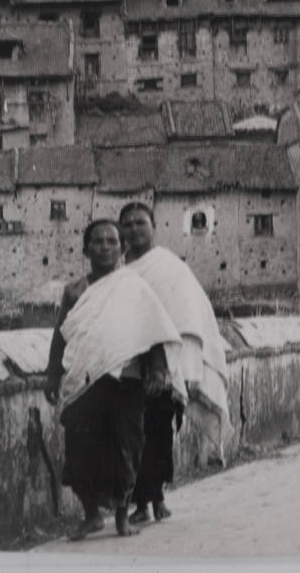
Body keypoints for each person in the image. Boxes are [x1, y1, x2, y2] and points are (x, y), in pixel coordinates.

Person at [45, 219, 183, 540]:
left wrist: (158, 370)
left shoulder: (134, 286)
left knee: (127, 447)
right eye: (97, 241)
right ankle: (91, 515)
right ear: (85, 248)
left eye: (111, 241)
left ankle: (122, 516)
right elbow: (62, 335)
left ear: (121, 248)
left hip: (127, 379)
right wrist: (52, 375)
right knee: (80, 447)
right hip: (86, 380)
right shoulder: (75, 291)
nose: (105, 247)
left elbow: (153, 331)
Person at [118, 201, 232, 525]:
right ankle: (142, 503)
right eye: (127, 224)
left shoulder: (169, 266)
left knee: (159, 432)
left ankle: (156, 498)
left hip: (165, 364)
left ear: (153, 226)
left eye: (141, 222)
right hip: (130, 363)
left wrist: (178, 355)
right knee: (134, 435)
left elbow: (190, 308)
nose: (134, 229)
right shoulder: (120, 270)